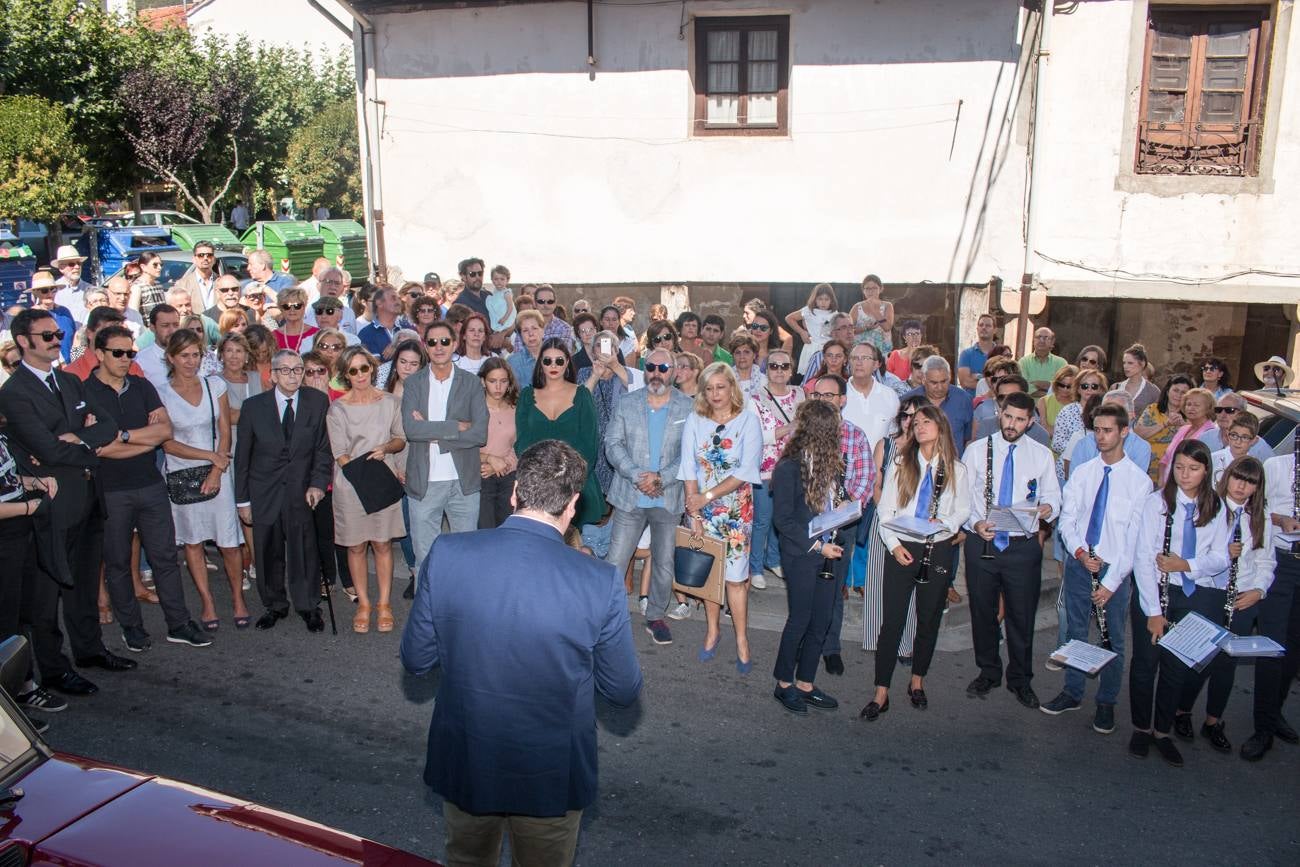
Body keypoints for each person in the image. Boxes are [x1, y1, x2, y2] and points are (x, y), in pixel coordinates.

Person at [400, 438, 641, 865]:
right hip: (550, 767)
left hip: (468, 752)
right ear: (572, 505)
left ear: (514, 493)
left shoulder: (448, 552)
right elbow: (621, 689)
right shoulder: (599, 580)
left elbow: (417, 659)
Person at [0, 308, 130, 697]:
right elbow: (45, 449)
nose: (57, 339)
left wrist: (74, 440)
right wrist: (83, 442)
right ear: (24, 342)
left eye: (58, 333)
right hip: (53, 506)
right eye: (47, 335)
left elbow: (108, 424)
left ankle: (90, 650)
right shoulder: (14, 392)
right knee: (46, 593)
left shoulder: (68, 380)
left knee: (85, 582)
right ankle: (54, 670)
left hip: (89, 496)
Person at [87, 324, 211, 651]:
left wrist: (123, 436)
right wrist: (141, 437)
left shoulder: (142, 387)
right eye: (118, 353)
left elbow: (164, 432)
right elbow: (96, 447)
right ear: (99, 354)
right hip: (110, 490)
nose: (127, 358)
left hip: (150, 485)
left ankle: (179, 623)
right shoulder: (83, 392)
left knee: (165, 558)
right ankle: (132, 628)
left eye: (130, 352)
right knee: (116, 562)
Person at [1040, 403, 1151, 733]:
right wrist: (1077, 550)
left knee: (1112, 639)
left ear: (1124, 432)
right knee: (1076, 631)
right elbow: (1068, 519)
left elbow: (1134, 539)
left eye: (1108, 431)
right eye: (1097, 430)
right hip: (1079, 565)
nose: (1101, 437)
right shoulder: (1084, 472)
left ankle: (1106, 702)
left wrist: (1112, 581)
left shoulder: (1138, 483)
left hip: (1114, 571)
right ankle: (1073, 692)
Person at [863, 403, 971, 720]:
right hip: (903, 546)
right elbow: (886, 510)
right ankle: (881, 692)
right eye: (917, 422)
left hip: (936, 546)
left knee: (927, 620)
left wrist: (946, 525)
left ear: (941, 428)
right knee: (892, 621)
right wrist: (894, 546)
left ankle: (917, 682)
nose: (920, 426)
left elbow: (962, 510)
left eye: (927, 422)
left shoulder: (956, 468)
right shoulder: (900, 462)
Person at [961, 390, 1060, 709]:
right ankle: (988, 670)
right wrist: (976, 523)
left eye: (1020, 419)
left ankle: (1020, 679)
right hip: (984, 541)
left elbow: (1054, 497)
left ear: (1030, 421)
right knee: (982, 611)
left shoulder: (1041, 455)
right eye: (1008, 416)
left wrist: (1047, 508)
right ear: (999, 414)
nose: (1012, 424)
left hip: (1022, 545)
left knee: (1021, 615)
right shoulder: (977, 451)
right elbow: (963, 499)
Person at [1131, 439, 1227, 766]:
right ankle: (1141, 727)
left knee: (1177, 666)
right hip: (1155, 593)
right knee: (1146, 663)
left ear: (1206, 471)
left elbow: (1220, 557)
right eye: (1180, 467)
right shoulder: (1155, 503)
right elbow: (1143, 558)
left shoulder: (1216, 506)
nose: (1185, 475)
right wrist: (1154, 612)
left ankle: (1162, 729)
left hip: (1192, 593)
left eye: (1194, 469)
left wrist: (1186, 565)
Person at [1175, 456, 1269, 754]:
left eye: (1250, 481)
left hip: (1243, 599)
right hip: (1210, 594)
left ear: (1257, 487)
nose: (1242, 486)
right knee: (1199, 659)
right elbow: (1194, 556)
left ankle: (1213, 721)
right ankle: (1182, 712)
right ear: (1226, 476)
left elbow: (1267, 561)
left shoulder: (1260, 515)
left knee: (1227, 664)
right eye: (1238, 478)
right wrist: (1222, 554)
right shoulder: (1210, 508)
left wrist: (1259, 590)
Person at [235, 349, 333, 633]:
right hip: (264, 491)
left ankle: (308, 605)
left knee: (305, 550)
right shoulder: (254, 407)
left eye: (298, 369)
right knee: (267, 551)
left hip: (302, 491)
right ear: (273, 375)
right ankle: (274, 605)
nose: (294, 375)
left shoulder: (317, 402)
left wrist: (317, 483)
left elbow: (322, 450)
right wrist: (242, 500)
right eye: (286, 370)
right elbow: (242, 458)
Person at [159, 329, 250, 631]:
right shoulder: (161, 393)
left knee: (229, 542)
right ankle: (207, 602)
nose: (191, 361)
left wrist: (215, 469)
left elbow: (225, 431)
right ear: (171, 357)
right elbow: (166, 443)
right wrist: (209, 458)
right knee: (193, 542)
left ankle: (238, 599)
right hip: (181, 474)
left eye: (196, 354)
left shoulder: (215, 386)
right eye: (184, 355)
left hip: (218, 473)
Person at [603, 348, 694, 644]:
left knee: (664, 562)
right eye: (651, 366)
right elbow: (612, 443)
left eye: (663, 367)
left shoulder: (688, 407)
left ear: (673, 372)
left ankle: (655, 616)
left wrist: (661, 478)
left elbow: (689, 454)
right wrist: (636, 474)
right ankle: (607, 615)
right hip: (630, 495)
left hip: (667, 498)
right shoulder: (627, 402)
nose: (656, 372)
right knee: (616, 559)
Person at [768, 400, 851, 715]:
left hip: (830, 550)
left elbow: (832, 503)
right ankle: (784, 684)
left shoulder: (829, 462)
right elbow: (784, 521)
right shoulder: (789, 466)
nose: (841, 432)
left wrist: (844, 508)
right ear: (822, 431)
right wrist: (818, 547)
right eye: (835, 428)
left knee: (822, 620)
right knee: (800, 619)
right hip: (803, 554)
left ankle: (805, 682)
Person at [679, 362, 763, 671]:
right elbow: (689, 467)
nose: (715, 394)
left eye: (721, 387)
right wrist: (694, 508)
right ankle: (712, 631)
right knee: (710, 576)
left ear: (732, 388)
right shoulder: (694, 420)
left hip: (737, 513)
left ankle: (742, 639)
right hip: (701, 511)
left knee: (736, 580)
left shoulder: (748, 422)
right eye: (709, 388)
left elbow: (745, 472)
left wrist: (706, 497)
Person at [401, 321, 487, 587]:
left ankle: (462, 615)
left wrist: (434, 433)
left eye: (444, 341)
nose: (438, 347)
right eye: (432, 342)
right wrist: (454, 427)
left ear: (455, 343)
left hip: (464, 482)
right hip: (424, 482)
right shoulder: (414, 383)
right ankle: (427, 620)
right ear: (425, 347)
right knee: (425, 557)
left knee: (466, 557)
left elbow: (479, 433)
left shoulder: (471, 382)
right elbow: (412, 430)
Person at [329, 346, 407, 633]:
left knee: (383, 544)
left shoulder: (390, 402)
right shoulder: (337, 408)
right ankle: (363, 604)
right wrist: (365, 477)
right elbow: (340, 452)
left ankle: (383, 603)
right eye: (353, 370)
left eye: (365, 368)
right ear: (345, 375)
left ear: (373, 369)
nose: (360, 374)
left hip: (382, 479)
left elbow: (400, 438)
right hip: (352, 484)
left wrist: (385, 448)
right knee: (356, 545)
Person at [861, 396, 928, 661]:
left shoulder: (930, 450)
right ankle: (878, 640)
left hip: (915, 527)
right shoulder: (886, 445)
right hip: (884, 522)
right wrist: (885, 516)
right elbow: (875, 485)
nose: (910, 421)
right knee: (878, 582)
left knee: (911, 586)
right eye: (905, 415)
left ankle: (905, 643)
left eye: (917, 416)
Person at [1244, 442, 1300, 760]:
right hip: (1281, 560)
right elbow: (1255, 507)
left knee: (1293, 647)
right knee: (1271, 645)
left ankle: (1275, 712)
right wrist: (1282, 520)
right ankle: (1262, 728)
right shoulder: (1277, 466)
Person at [515, 338, 605, 525]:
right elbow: (522, 443)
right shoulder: (526, 396)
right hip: (536, 486)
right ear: (541, 364)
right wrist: (539, 479)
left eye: (559, 360)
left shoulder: (582, 395)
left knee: (577, 547)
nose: (553, 365)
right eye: (547, 361)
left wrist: (571, 481)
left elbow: (590, 444)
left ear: (567, 363)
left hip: (576, 485)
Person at [749, 349, 803, 589]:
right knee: (762, 519)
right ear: (766, 370)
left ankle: (773, 558)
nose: (779, 370)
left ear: (791, 370)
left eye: (784, 366)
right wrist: (787, 429)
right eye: (773, 366)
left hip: (792, 468)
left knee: (781, 518)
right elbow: (755, 436)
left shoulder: (801, 395)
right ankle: (755, 567)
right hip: (765, 468)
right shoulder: (756, 399)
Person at [477, 358, 519, 529]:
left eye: (503, 381)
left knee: (508, 530)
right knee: (485, 531)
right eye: (493, 381)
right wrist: (489, 459)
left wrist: (502, 464)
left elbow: (520, 445)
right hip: (481, 476)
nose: (498, 387)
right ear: (483, 381)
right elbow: (462, 446)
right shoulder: (473, 409)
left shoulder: (516, 408)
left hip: (509, 476)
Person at [904, 355, 974, 450]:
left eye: (944, 381)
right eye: (934, 383)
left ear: (950, 377)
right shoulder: (908, 401)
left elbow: (968, 438)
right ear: (923, 380)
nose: (940, 387)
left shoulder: (964, 400)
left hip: (954, 463)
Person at [1134, 374, 1192, 481]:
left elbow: (1193, 441)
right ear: (1167, 391)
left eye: (1183, 392)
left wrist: (1183, 425)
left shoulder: (1190, 416)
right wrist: (1165, 424)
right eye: (1175, 390)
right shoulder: (1153, 409)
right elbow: (1138, 433)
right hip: (1145, 467)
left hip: (1172, 471)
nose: (1178, 395)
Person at [842, 342, 900, 447]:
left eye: (865, 358)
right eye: (854, 358)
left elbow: (895, 433)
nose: (859, 363)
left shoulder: (890, 395)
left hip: (881, 462)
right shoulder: (840, 394)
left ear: (876, 365)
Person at [62, 307, 143, 381]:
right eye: (106, 331)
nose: (113, 337)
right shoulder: (71, 374)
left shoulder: (132, 368)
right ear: (89, 333)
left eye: (117, 331)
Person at [971, 374, 1051, 448]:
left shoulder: (1040, 435)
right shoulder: (986, 426)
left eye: (1012, 397)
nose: (1006, 401)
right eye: (1001, 397)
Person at [1158, 386, 1216, 483]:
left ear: (1208, 408)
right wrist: (1161, 479)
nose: (1191, 408)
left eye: (1196, 405)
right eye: (1188, 404)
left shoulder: (1211, 433)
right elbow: (1165, 458)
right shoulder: (1183, 429)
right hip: (1167, 485)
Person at [25, 272, 76, 362]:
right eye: (45, 290)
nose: (50, 293)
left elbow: (76, 340)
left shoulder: (64, 311)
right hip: (48, 367)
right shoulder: (31, 316)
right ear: (35, 293)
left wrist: (77, 362)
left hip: (72, 367)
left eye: (53, 289)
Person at [1209, 411, 1271, 482]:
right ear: (1227, 434)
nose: (1238, 442)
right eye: (1234, 435)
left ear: (1254, 441)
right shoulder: (1212, 460)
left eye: (1245, 437)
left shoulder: (1256, 468)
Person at [136, 305, 182, 390]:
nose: (172, 331)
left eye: (176, 325)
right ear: (152, 328)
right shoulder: (141, 362)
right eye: (165, 325)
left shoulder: (193, 356)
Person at [303, 268, 360, 335]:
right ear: (318, 285)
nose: (333, 287)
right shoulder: (307, 313)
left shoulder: (348, 313)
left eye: (337, 283)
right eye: (328, 281)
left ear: (342, 287)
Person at [849, 273, 893, 356]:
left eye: (874, 288)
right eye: (867, 288)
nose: (871, 291)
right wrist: (865, 328)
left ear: (881, 289)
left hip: (881, 351)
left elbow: (887, 327)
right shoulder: (857, 307)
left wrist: (874, 309)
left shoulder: (887, 306)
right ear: (863, 290)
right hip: (860, 352)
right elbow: (848, 330)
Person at [801, 315, 854, 382]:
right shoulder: (818, 357)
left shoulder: (860, 355)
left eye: (851, 327)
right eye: (844, 328)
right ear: (833, 333)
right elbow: (805, 388)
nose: (849, 332)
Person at [51, 244, 95, 325]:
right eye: (71, 264)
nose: (77, 267)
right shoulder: (51, 290)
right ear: (61, 268)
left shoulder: (91, 290)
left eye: (79, 263)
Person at [1018, 327, 1067, 396]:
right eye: (1038, 337)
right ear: (1033, 340)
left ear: (1052, 341)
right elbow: (1023, 387)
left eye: (1046, 338)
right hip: (1029, 405)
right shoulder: (1023, 362)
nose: (1042, 341)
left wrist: (1041, 385)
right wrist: (1050, 388)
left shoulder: (1061, 363)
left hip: (1052, 406)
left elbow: (1064, 387)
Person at [358, 285, 404, 360]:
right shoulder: (366, 334)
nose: (398, 302)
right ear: (379, 303)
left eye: (399, 298)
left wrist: (398, 347)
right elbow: (375, 367)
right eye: (393, 298)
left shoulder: (406, 327)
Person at [1118, 343, 1161, 418]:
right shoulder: (1115, 387)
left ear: (1142, 364)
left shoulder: (1153, 391)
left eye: (1130, 363)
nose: (1125, 366)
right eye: (1124, 363)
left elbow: (1157, 419)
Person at [174, 241, 219, 313]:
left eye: (209, 255)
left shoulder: (221, 281)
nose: (205, 258)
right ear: (194, 259)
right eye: (201, 255)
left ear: (214, 259)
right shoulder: (183, 284)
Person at [957, 313, 998, 391]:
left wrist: (978, 377)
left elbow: (1004, 382)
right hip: (972, 402)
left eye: (988, 325)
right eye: (981, 325)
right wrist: (992, 382)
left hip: (996, 402)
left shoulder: (1001, 354)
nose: (984, 328)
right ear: (977, 328)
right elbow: (965, 382)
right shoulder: (966, 354)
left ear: (995, 330)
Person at [272, 287, 318, 355]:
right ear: (281, 308)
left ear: (304, 307)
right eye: (286, 306)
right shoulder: (273, 336)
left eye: (297, 306)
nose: (292, 310)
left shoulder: (316, 334)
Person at [1038, 364, 1078, 439]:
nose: (1065, 389)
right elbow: (1044, 430)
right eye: (1061, 385)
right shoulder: (1044, 401)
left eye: (1069, 386)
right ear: (1056, 383)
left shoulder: (1079, 405)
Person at [508, 309, 546, 386]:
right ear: (520, 335)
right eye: (525, 330)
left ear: (543, 331)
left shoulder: (555, 357)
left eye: (534, 328)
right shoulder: (512, 362)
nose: (531, 333)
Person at [450, 257, 492, 324]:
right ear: (463, 276)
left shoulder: (489, 296)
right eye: (472, 274)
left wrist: (502, 333)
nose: (477, 277)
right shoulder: (459, 304)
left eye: (480, 273)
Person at [128, 251, 167, 321]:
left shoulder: (158, 285)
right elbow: (134, 316)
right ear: (143, 267)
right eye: (155, 265)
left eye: (161, 264)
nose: (159, 268)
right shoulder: (137, 287)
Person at [729, 334, 767, 402]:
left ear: (754, 355)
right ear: (733, 356)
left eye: (746, 352)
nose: (742, 356)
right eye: (738, 353)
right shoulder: (726, 380)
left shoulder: (765, 381)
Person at [485, 264, 517, 333]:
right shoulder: (495, 292)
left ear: (507, 280)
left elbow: (510, 307)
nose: (499, 281)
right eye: (496, 279)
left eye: (502, 279)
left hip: (506, 317)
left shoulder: (506, 293)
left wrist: (504, 318)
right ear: (492, 280)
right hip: (499, 315)